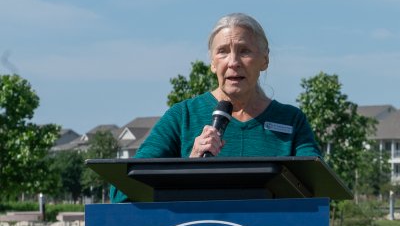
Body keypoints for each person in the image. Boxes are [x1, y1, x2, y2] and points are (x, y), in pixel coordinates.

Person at [112, 13, 320, 201]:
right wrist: (188, 165)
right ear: (212, 63)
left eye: (244, 51)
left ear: (264, 60)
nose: (233, 62)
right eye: (223, 52)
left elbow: (318, 194)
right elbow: (123, 191)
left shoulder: (291, 121)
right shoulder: (182, 116)